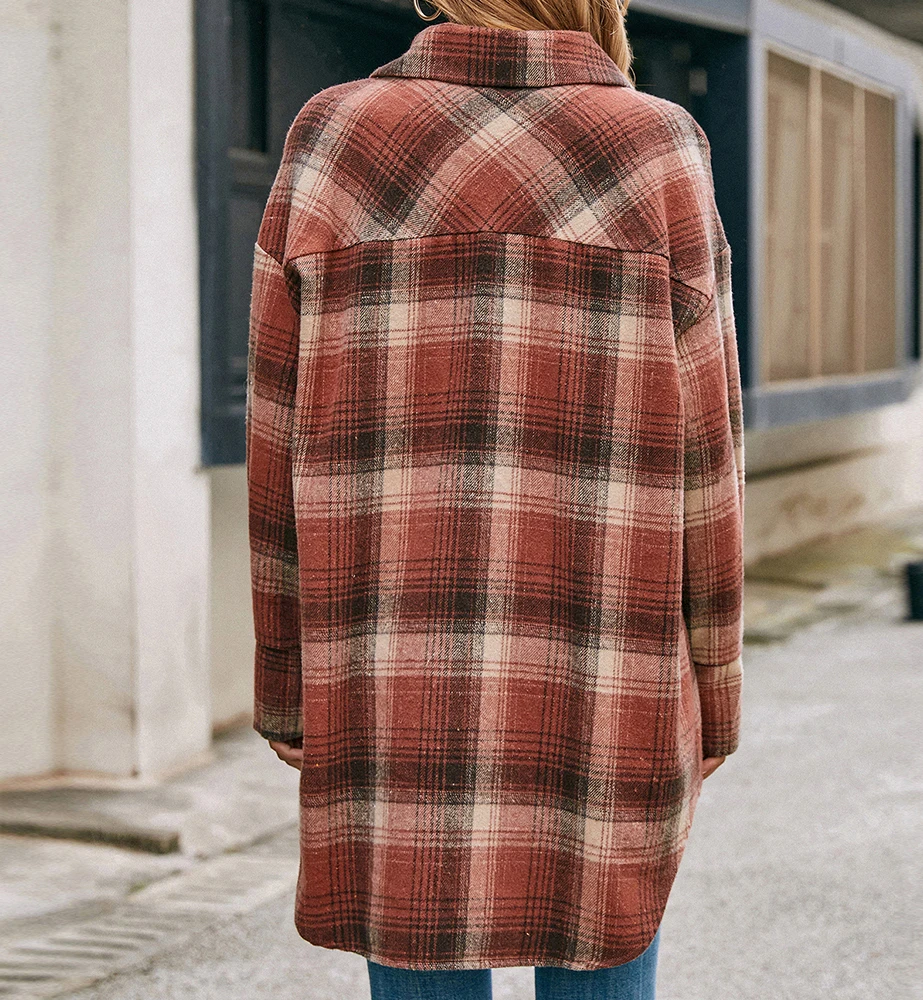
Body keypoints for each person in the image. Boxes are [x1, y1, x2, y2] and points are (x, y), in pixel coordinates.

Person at [246, 0, 745, 996]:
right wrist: (712, 689)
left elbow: (275, 434)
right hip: (605, 663)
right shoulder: (656, 149)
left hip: (391, 667)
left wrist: (285, 683)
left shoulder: (334, 136)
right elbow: (708, 455)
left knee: (419, 935)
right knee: (604, 931)